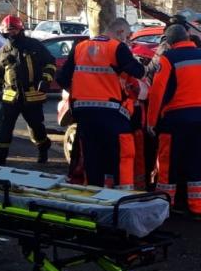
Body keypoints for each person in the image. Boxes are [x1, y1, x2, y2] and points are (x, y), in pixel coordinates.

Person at [56, 18, 146, 188]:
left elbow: (62, 79)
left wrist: (80, 91)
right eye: (127, 37)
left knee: (91, 158)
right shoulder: (116, 47)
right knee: (118, 156)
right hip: (111, 112)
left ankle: (93, 192)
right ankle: (118, 196)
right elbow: (138, 72)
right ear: (119, 33)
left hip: (84, 113)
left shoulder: (80, 47)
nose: (127, 41)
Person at [147, 24, 201, 218]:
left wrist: (151, 121)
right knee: (197, 163)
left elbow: (158, 93)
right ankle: (197, 207)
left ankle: (166, 205)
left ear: (170, 42)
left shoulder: (168, 59)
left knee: (168, 165)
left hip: (174, 120)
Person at [0, 15, 56, 166]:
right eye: (7, 32)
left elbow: (50, 63)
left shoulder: (34, 46)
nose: (10, 34)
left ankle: (43, 147)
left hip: (32, 97)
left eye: (13, 31)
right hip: (10, 98)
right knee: (3, 129)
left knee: (36, 129)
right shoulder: (4, 51)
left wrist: (45, 80)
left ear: (20, 30)